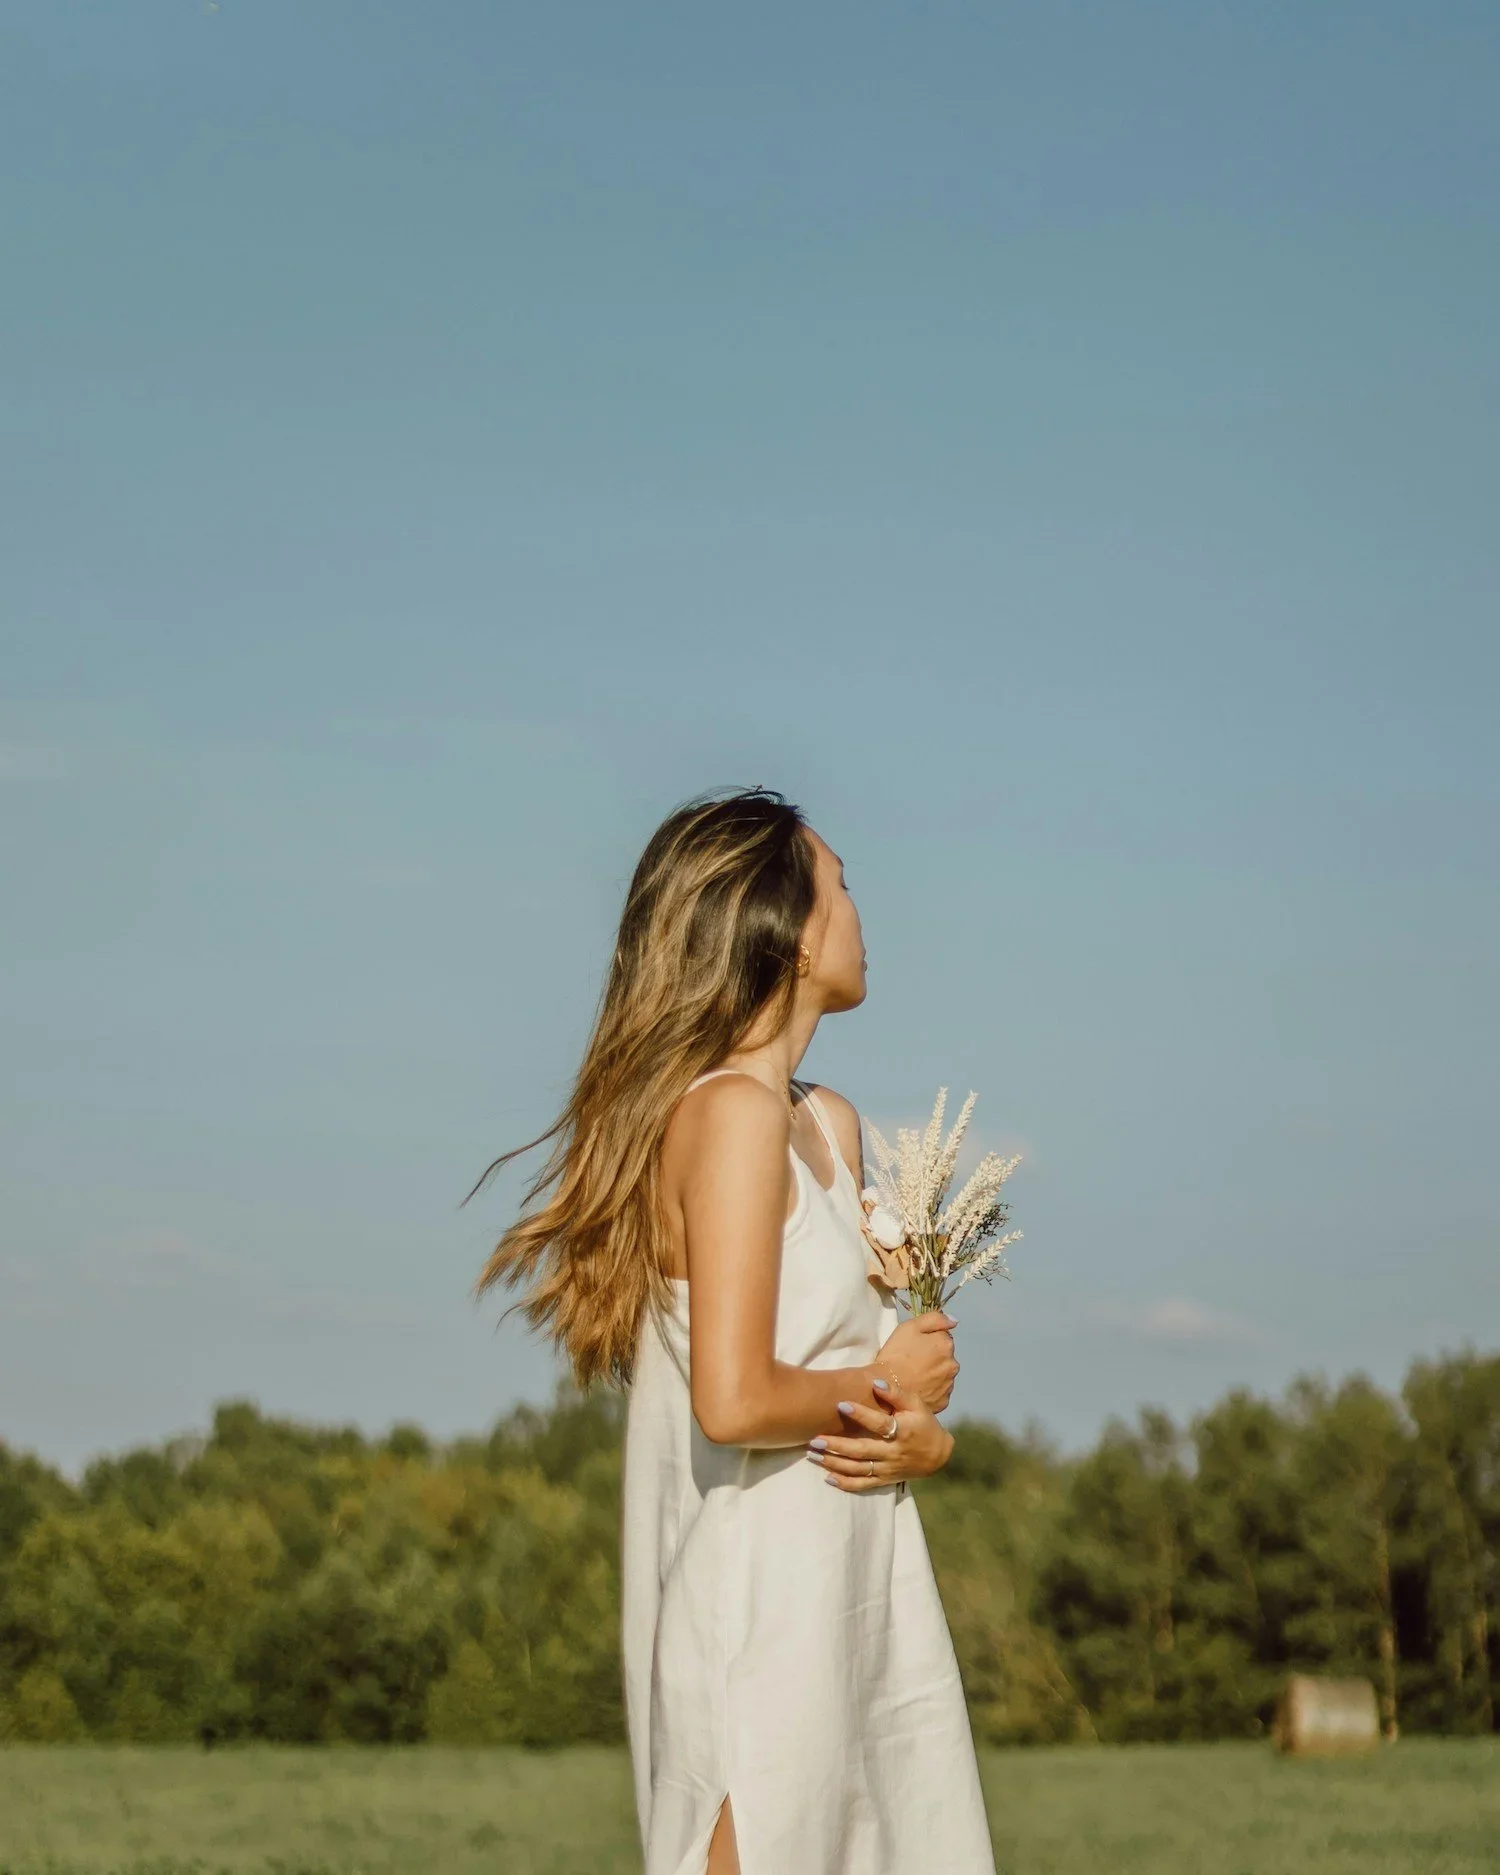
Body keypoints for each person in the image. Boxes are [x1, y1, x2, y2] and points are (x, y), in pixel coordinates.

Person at [472, 786, 995, 1875]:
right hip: (761, 1603)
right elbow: (737, 1398)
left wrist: (922, 1436)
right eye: (841, 885)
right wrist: (883, 1372)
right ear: (790, 935)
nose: (859, 909)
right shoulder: (730, 1116)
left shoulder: (824, 1122)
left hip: (862, 1589)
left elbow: (841, 1384)